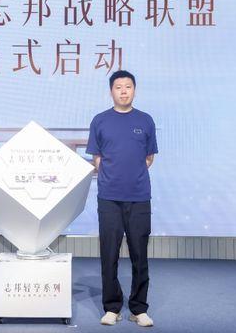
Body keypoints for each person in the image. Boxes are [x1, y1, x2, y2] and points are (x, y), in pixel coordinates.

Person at [86, 70, 158, 327]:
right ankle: (112, 307)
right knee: (109, 254)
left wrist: (131, 176)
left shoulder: (145, 120)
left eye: (128, 86)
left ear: (134, 90)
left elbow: (149, 157)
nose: (124, 91)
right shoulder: (100, 120)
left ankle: (139, 308)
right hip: (109, 198)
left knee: (140, 254)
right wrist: (113, 178)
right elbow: (97, 158)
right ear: (111, 91)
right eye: (119, 87)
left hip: (139, 197)